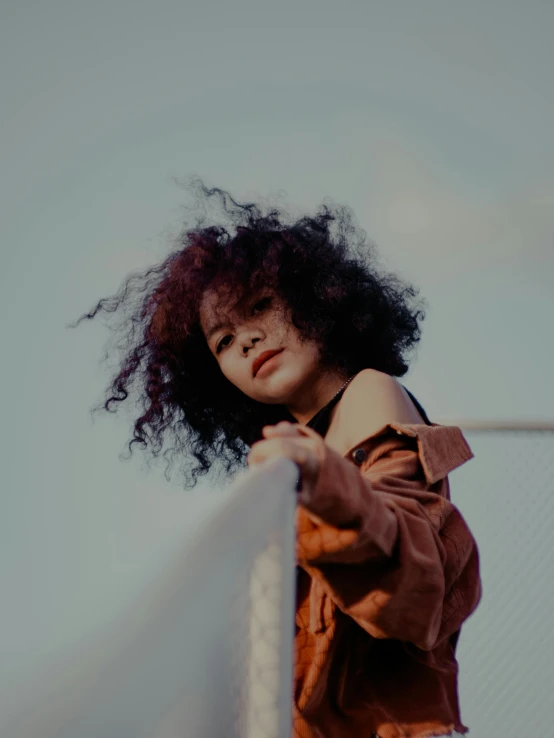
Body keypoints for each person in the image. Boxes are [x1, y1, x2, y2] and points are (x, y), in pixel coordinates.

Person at [72, 178, 482, 738]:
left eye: (260, 305)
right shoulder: (282, 454)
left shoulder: (366, 391)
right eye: (221, 341)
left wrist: (325, 482)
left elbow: (414, 582)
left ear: (316, 296)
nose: (245, 340)